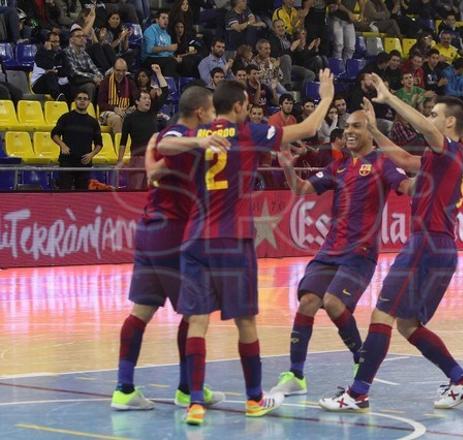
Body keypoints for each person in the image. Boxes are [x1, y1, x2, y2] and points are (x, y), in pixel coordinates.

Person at [174, 70, 337, 425]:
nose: (252, 110)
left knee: (197, 322)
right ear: (238, 106)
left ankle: (195, 403)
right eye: (248, 105)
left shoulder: (196, 134)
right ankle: (252, 400)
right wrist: (325, 96)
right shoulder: (249, 132)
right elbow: (308, 129)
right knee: (245, 322)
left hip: (196, 238)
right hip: (233, 238)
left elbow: (163, 149)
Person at [319, 74, 463, 412]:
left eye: (435, 115)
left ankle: (357, 393)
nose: (431, 119)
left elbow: (425, 128)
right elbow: (406, 162)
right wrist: (376, 132)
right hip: (443, 249)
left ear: (449, 121)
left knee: (382, 314)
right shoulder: (449, 159)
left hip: (425, 244)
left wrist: (389, 97)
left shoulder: (446, 146)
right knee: (408, 324)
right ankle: (460, 379)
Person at [270, 109, 410, 398]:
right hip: (329, 251)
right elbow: (301, 189)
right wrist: (287, 167)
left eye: (357, 126)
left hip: (360, 253)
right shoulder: (338, 167)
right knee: (308, 302)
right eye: (347, 126)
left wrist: (435, 176)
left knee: (333, 302)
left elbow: (406, 186)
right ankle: (296, 374)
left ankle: (362, 359)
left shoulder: (382, 164)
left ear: (371, 132)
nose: (349, 131)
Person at [111, 87, 227, 410]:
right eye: (213, 112)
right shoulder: (182, 133)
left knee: (142, 311)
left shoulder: (181, 139)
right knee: (195, 312)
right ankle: (189, 390)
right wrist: (198, 142)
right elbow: (166, 144)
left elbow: (156, 165)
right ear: (202, 112)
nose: (216, 119)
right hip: (172, 231)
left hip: (151, 231)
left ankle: (124, 389)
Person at [51, 90, 102, 190]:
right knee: (64, 193)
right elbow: (54, 134)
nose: (82, 101)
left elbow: (99, 144)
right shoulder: (66, 117)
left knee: (82, 196)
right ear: (75, 101)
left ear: (89, 102)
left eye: (85, 99)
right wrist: (62, 145)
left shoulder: (93, 122)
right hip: (67, 162)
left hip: (84, 164)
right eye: (79, 98)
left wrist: (91, 155)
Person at [118, 91, 159, 189]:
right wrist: (119, 161)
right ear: (137, 101)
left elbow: (165, 92)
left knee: (151, 191)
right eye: (144, 98)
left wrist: (159, 75)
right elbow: (123, 141)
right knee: (136, 190)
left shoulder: (152, 114)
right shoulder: (129, 118)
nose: (148, 100)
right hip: (137, 158)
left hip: (153, 159)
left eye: (149, 98)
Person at [98, 58, 138, 136]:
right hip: (108, 112)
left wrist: (134, 107)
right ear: (113, 69)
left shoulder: (130, 83)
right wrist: (115, 109)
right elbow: (101, 103)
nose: (121, 73)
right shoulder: (105, 82)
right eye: (118, 70)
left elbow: (136, 100)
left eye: (123, 70)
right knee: (117, 119)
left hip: (125, 111)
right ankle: (120, 145)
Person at [64, 26, 103, 101]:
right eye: (78, 36)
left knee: (103, 85)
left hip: (86, 79)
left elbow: (94, 68)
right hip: (73, 83)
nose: (82, 38)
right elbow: (74, 71)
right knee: (90, 86)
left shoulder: (84, 54)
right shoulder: (66, 53)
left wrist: (100, 78)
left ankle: (100, 109)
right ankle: (88, 109)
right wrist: (93, 77)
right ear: (71, 39)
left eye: (83, 36)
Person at [31, 31, 69, 100]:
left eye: (58, 41)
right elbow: (50, 65)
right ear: (46, 42)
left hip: (55, 83)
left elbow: (66, 70)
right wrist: (49, 51)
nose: (57, 44)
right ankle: (58, 97)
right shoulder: (40, 53)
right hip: (38, 85)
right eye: (54, 42)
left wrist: (57, 72)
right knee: (50, 74)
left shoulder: (61, 54)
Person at [143, 11, 178, 77]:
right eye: (163, 18)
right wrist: (167, 48)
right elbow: (150, 50)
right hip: (149, 59)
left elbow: (169, 54)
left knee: (180, 65)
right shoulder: (150, 31)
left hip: (163, 59)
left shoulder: (167, 35)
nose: (166, 20)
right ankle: (165, 85)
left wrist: (176, 57)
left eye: (167, 18)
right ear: (157, 20)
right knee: (171, 62)